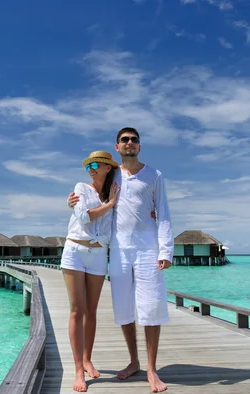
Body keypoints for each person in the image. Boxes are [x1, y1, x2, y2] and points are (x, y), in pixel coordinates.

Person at [68, 127, 174, 393]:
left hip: (148, 249)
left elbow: (164, 213)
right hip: (118, 250)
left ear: (139, 146)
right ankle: (134, 361)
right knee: (124, 308)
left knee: (150, 308)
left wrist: (166, 251)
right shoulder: (111, 175)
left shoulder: (154, 175)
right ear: (117, 147)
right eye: (124, 140)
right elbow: (90, 195)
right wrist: (72, 202)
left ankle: (152, 369)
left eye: (134, 140)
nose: (129, 143)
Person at [61, 150, 121, 392]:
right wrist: (110, 205)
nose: (91, 169)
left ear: (108, 167)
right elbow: (84, 217)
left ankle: (87, 359)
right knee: (77, 310)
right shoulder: (81, 188)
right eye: (89, 166)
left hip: (98, 256)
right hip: (75, 251)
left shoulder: (115, 191)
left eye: (96, 164)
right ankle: (78, 370)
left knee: (92, 311)